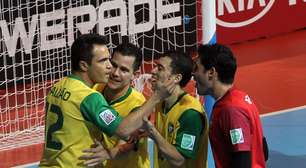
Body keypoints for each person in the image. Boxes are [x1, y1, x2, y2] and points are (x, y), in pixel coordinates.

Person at [39, 34, 175, 167]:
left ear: (134, 74)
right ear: (84, 65)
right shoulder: (91, 96)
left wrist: (108, 153)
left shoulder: (56, 88)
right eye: (103, 61)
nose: (111, 69)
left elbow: (131, 140)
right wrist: (157, 97)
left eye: (123, 69)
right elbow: (123, 130)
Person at [193, 43, 266, 168]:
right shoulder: (240, 97)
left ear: (211, 72)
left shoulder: (231, 110)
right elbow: (263, 149)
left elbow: (242, 162)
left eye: (197, 68)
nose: (193, 74)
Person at [144, 51, 209, 168]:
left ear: (177, 78)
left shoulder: (190, 113)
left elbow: (180, 160)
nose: (153, 71)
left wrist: (153, 133)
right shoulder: (161, 103)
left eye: (160, 68)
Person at [93, 43, 150, 168]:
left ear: (135, 75)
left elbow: (128, 144)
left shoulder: (138, 104)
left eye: (124, 70)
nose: (115, 73)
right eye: (113, 65)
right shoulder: (95, 90)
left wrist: (105, 154)